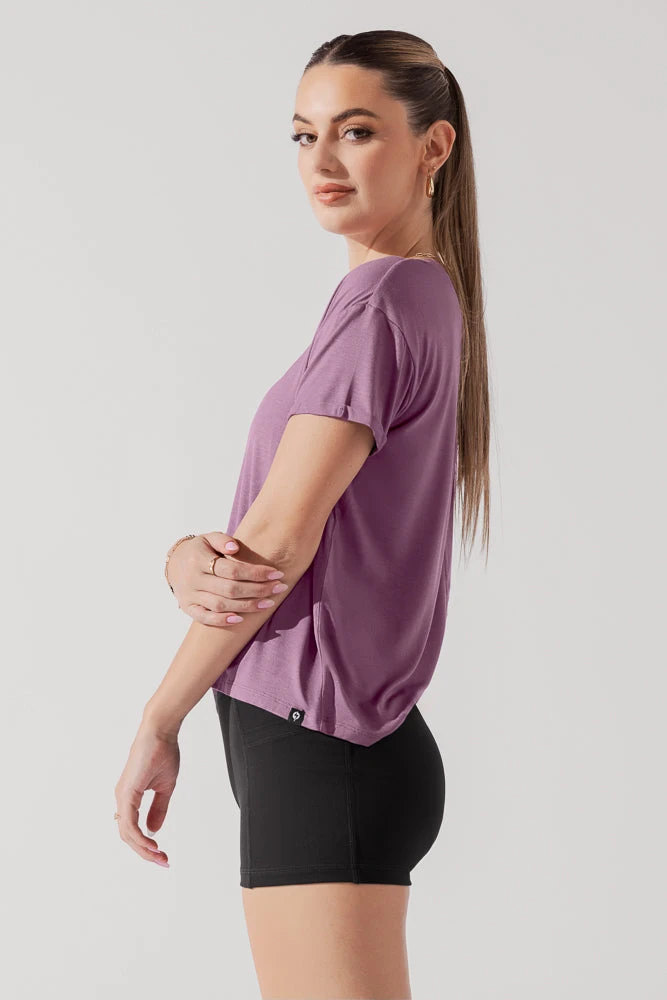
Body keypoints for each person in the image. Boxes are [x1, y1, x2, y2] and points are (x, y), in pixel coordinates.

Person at [114, 29, 490, 1000]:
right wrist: (182, 555)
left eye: (356, 131)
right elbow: (278, 530)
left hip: (321, 750)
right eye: (302, 134)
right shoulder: (413, 298)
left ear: (432, 146)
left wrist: (159, 716)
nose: (320, 160)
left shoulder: (378, 309)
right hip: (334, 749)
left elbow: (278, 540)